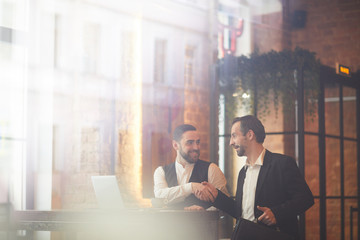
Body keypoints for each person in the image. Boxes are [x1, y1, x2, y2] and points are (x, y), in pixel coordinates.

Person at [195, 115, 314, 239]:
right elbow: (241, 212)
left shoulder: (282, 164)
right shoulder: (243, 172)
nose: (231, 142)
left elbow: (305, 199)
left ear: (250, 135)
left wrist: (277, 214)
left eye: (234, 136)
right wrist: (216, 196)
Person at [153, 124, 229, 210]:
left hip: (203, 223)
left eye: (197, 142)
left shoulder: (212, 169)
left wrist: (204, 212)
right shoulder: (161, 171)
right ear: (175, 145)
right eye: (190, 143)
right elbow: (160, 197)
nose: (196, 147)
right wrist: (191, 187)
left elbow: (225, 204)